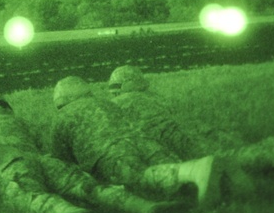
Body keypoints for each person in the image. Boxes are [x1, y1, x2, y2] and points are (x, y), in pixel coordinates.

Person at [0, 93, 186, 213]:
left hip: (7, 161)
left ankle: (67, 211)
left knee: (27, 193)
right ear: (6, 108)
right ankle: (143, 206)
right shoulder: (21, 122)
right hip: (43, 160)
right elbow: (42, 144)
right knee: (91, 188)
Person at [107, 65, 274, 179]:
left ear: (121, 86)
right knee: (238, 149)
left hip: (177, 140)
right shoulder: (153, 97)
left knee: (226, 160)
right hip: (200, 130)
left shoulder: (120, 104)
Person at [49, 76, 228, 205]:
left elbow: (61, 160)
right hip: (143, 140)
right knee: (168, 171)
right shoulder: (108, 103)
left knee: (142, 178)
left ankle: (194, 170)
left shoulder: (62, 117)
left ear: (61, 100)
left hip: (111, 153)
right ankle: (220, 188)